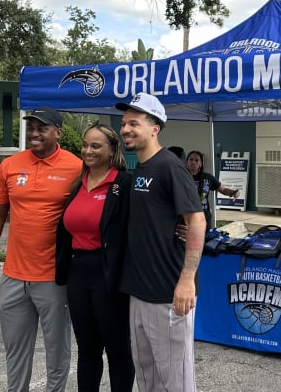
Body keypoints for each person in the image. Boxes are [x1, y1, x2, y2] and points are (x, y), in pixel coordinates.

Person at [0, 106, 82, 392]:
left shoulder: (76, 167)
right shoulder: (10, 165)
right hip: (14, 276)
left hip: (53, 277)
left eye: (41, 128)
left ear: (58, 132)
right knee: (16, 351)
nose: (34, 133)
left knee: (58, 351)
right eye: (31, 127)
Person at [117, 92, 206, 392]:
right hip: (139, 292)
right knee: (148, 379)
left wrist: (187, 279)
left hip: (169, 294)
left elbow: (196, 220)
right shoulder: (140, 167)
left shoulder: (169, 165)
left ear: (155, 128)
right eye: (124, 123)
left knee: (176, 382)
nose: (126, 129)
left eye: (134, 123)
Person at [54, 124, 134, 392]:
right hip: (78, 273)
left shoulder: (123, 184)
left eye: (96, 146)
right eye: (85, 145)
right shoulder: (79, 182)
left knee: (117, 350)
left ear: (112, 150)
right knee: (87, 349)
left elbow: (140, 225)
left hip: (108, 274)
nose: (87, 150)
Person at [185, 150, 240, 230]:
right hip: (187, 217)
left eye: (196, 160)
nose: (193, 162)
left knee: (206, 241)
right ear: (187, 161)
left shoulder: (207, 178)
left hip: (203, 217)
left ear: (201, 163)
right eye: (191, 159)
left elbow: (223, 189)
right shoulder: (181, 177)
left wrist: (233, 192)